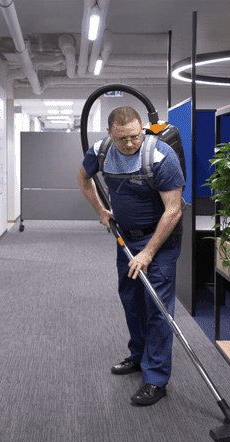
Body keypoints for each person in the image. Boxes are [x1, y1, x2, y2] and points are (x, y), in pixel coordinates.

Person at [77, 106, 184, 406]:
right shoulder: (100, 151)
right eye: (122, 138)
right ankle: (138, 356)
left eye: (135, 137)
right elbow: (83, 178)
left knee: (158, 307)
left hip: (160, 239)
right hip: (125, 237)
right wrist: (101, 211)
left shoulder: (161, 157)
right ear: (110, 132)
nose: (129, 144)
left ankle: (156, 379)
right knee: (131, 298)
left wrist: (149, 252)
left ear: (143, 130)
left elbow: (173, 210)